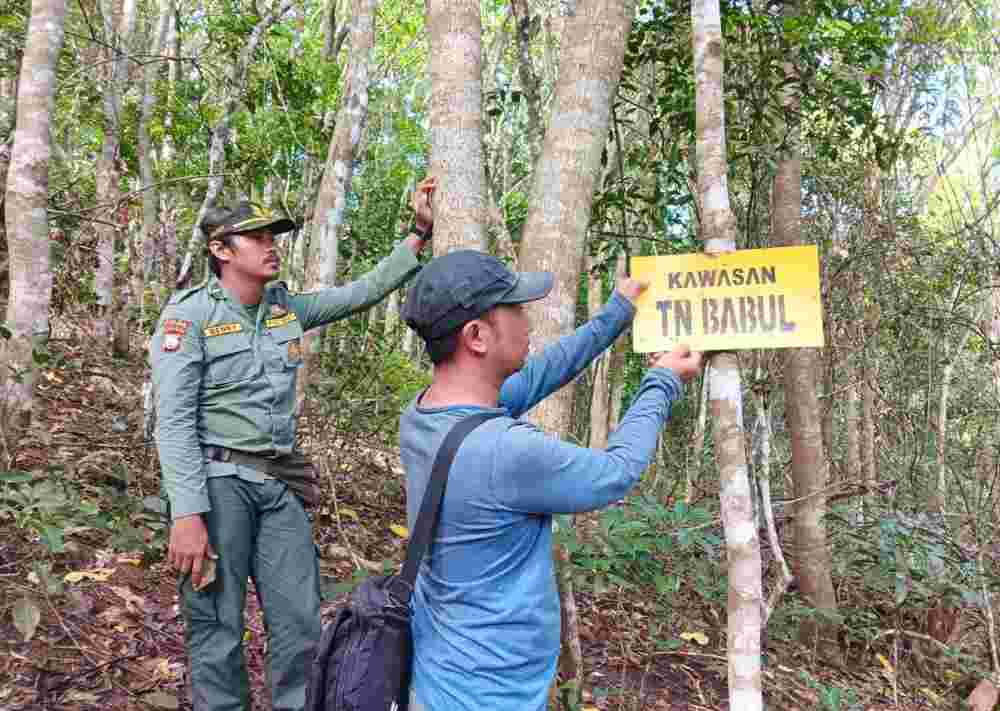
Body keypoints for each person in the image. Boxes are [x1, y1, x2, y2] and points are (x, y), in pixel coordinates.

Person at [151, 177, 436, 711]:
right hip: (216, 486)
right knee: (216, 627)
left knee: (300, 624)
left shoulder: (285, 309)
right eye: (256, 237)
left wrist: (418, 234)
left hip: (279, 483)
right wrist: (186, 514)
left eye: (273, 235)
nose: (271, 244)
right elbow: (173, 421)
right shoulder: (188, 316)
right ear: (220, 250)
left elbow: (360, 293)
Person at [398, 250, 702, 711]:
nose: (528, 321)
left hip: (439, 672)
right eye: (516, 309)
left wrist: (618, 310)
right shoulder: (506, 451)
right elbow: (615, 474)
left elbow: (541, 374)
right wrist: (662, 380)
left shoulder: (423, 413)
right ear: (477, 336)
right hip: (489, 696)